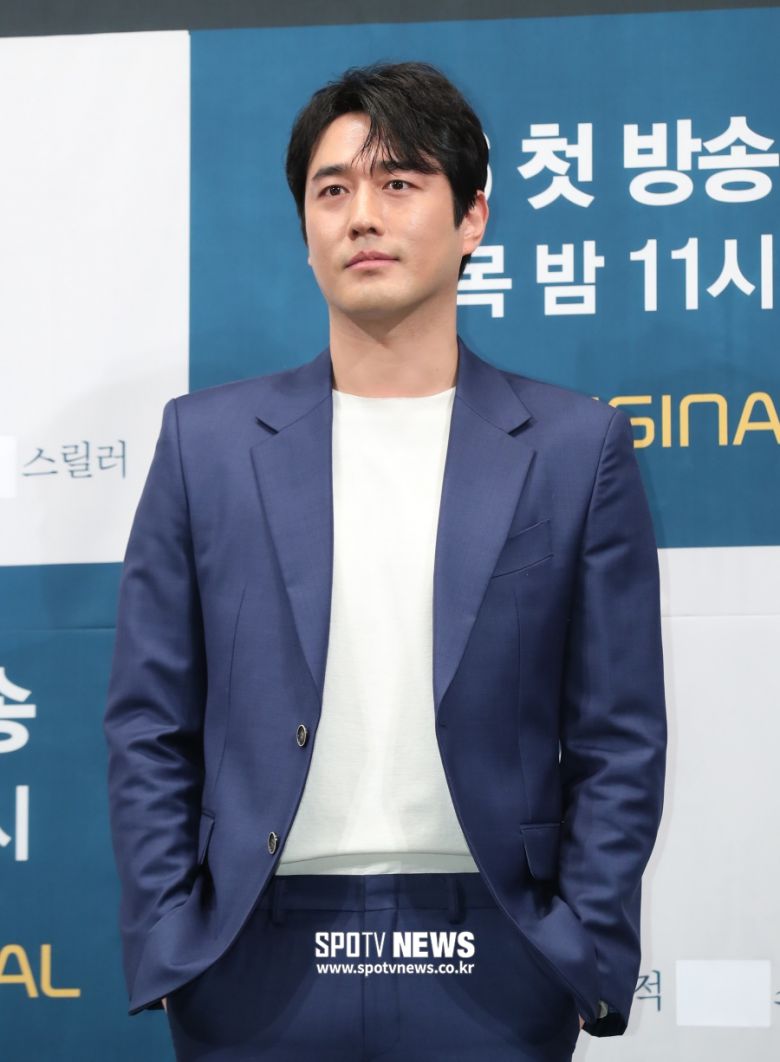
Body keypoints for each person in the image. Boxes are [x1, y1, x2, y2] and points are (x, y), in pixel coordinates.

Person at [104, 61, 667, 1061]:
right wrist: (172, 933)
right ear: (305, 229)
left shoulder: (575, 448)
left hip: (493, 947)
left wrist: (578, 940)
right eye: (333, 190)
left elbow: (618, 734)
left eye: (399, 182)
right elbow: (150, 718)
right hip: (253, 952)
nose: (362, 214)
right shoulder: (206, 445)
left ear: (472, 218)